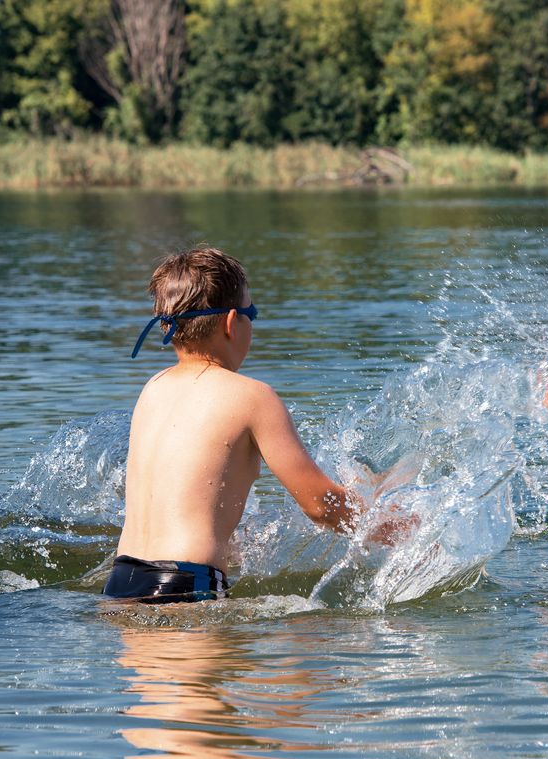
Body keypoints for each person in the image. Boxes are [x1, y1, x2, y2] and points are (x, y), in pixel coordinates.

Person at [105, 247, 396, 604]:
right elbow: (319, 504)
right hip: (184, 584)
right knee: (336, 648)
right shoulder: (253, 397)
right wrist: (393, 527)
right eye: (251, 313)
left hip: (119, 582)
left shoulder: (153, 388)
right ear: (231, 322)